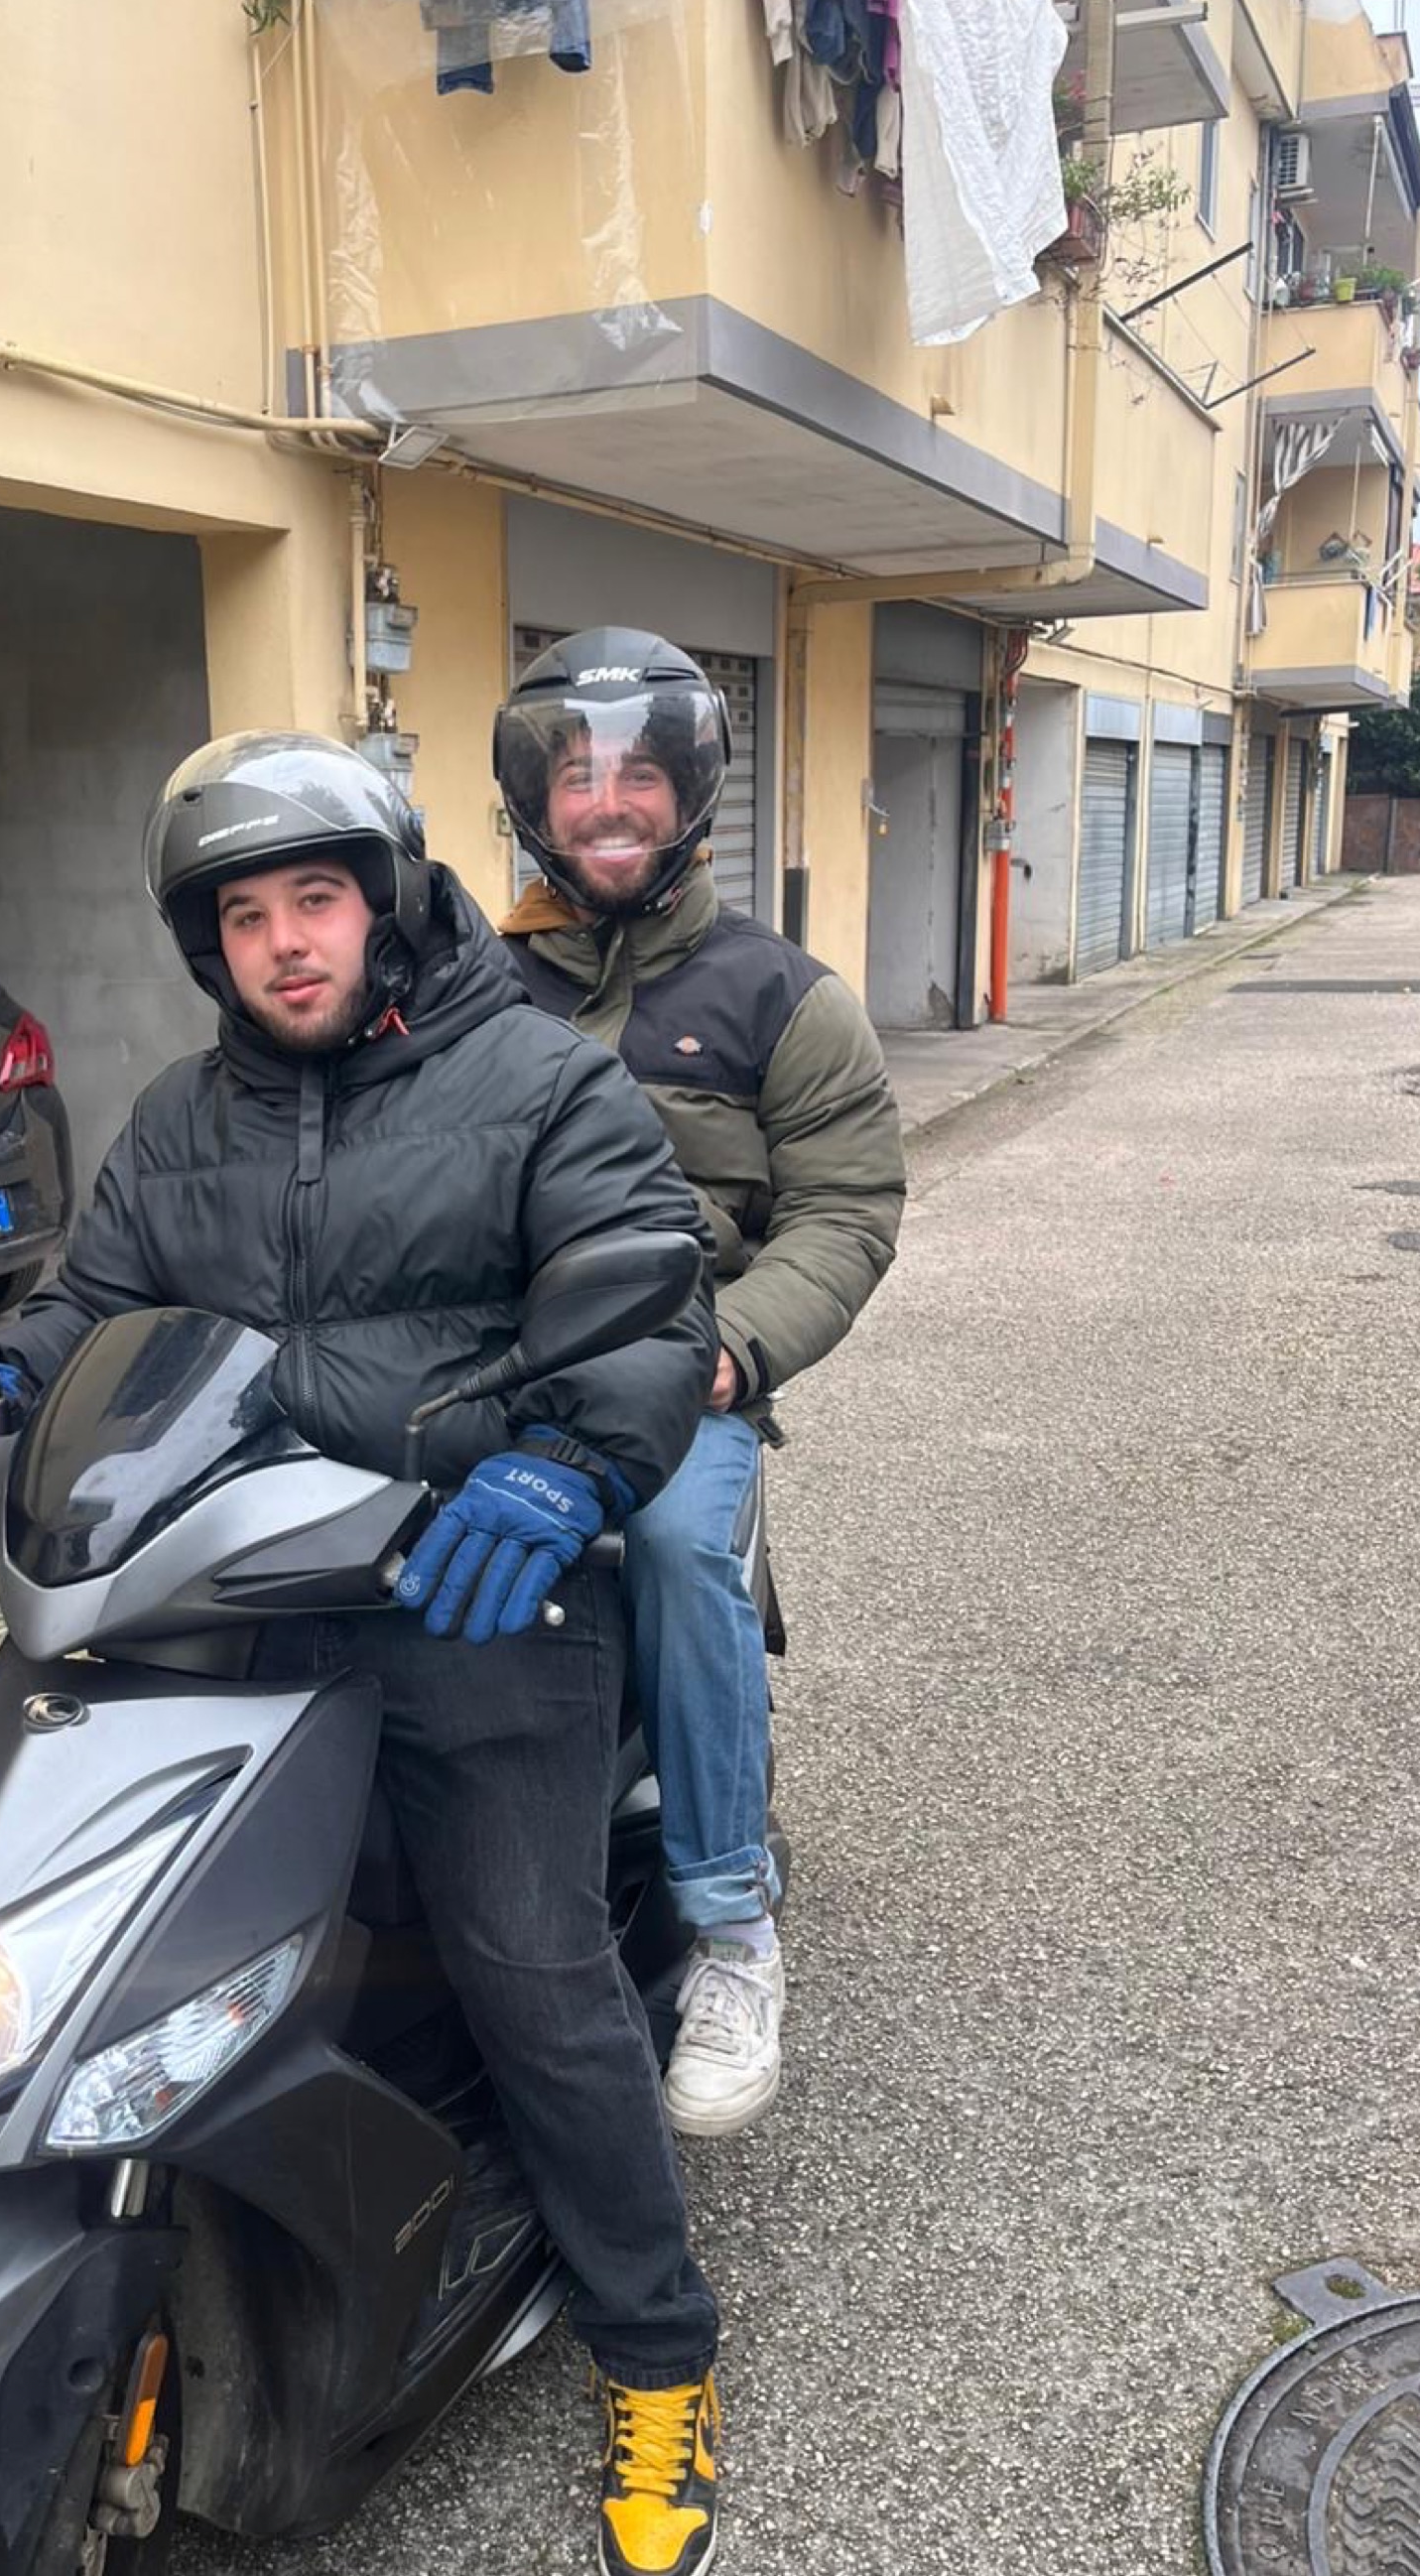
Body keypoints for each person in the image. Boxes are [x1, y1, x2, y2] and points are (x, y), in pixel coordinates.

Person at [0, 732, 730, 2576]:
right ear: (212, 948)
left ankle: (659, 2354)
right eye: (247, 916)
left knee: (531, 1966)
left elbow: (644, 1296)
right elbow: (97, 1306)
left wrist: (559, 1460)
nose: (286, 943)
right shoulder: (182, 1122)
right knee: (89, 1909)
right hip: (224, 1582)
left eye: (316, 900)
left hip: (473, 1590)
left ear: (386, 903)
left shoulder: (537, 1082)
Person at [494, 629, 906, 2136]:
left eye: (641, 777)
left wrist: (730, 1348)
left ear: (690, 798)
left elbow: (849, 1210)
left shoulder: (784, 998)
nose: (610, 804)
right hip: (500, 1373)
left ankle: (732, 1925)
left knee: (671, 1549)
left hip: (690, 1380)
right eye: (580, 777)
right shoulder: (468, 990)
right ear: (539, 802)